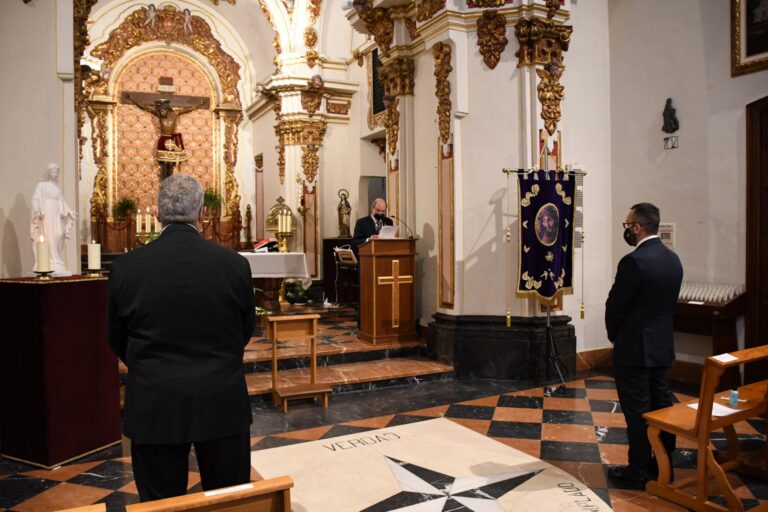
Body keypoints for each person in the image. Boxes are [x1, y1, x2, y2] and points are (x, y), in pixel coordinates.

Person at [108, 174, 255, 501]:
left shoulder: (127, 268)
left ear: (159, 214)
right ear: (202, 213)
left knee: (161, 503)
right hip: (221, 401)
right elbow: (245, 330)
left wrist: (148, 366)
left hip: (154, 404)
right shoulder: (233, 265)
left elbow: (116, 337)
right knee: (228, 503)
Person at [605, 202, 683, 489]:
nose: (626, 229)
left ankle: (638, 468)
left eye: (627, 225)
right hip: (662, 346)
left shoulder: (634, 261)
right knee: (662, 405)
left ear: (637, 227)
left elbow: (615, 306)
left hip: (634, 348)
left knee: (637, 410)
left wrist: (616, 336)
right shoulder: (672, 259)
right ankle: (663, 464)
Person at [30, 163, 77, 276]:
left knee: (59, 233)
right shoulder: (41, 185)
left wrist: (68, 211)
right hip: (47, 212)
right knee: (48, 235)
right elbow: (36, 198)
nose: (55, 174)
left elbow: (61, 201)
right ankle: (49, 260)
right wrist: (38, 211)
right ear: (48, 173)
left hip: (56, 213)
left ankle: (55, 258)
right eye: (53, 172)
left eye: (56, 172)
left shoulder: (57, 187)